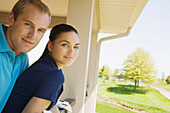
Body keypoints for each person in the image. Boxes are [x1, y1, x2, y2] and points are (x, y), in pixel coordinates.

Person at [2, 24, 80, 113]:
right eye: (65, 44)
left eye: (76, 47)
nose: (71, 51)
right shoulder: (53, 75)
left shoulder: (43, 67)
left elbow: (48, 104)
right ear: (50, 46)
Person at [0, 0, 51, 112]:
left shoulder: (22, 58)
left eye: (40, 30)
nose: (32, 36)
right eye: (28, 24)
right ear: (11, 19)